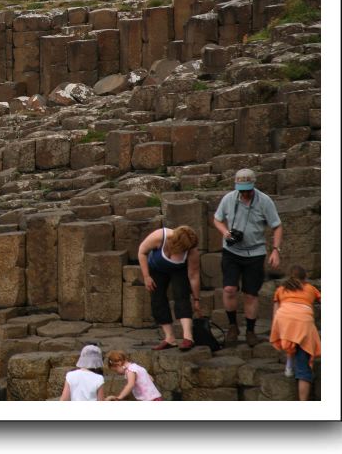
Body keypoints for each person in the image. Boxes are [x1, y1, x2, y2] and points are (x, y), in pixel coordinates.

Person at [212, 168, 283, 347]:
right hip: (231, 251)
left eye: (247, 190)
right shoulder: (229, 198)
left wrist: (275, 250)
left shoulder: (264, 201)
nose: (244, 194)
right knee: (229, 289)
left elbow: (277, 226)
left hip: (255, 253)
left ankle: (250, 331)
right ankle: (232, 326)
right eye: (241, 190)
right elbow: (217, 219)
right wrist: (225, 232)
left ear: (253, 186)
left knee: (251, 294)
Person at [137, 225, 201, 351]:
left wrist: (196, 299)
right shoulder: (160, 236)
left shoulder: (192, 250)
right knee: (157, 299)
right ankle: (169, 338)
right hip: (156, 268)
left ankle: (188, 337)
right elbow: (142, 252)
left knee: (181, 295)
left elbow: (193, 275)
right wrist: (146, 276)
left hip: (178, 270)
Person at [269, 265, 321, 401]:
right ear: (305, 278)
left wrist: (277, 328)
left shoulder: (280, 289)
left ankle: (289, 361)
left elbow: (276, 309)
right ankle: (303, 403)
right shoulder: (311, 288)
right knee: (304, 368)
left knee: (291, 339)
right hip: (303, 323)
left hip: (283, 320)